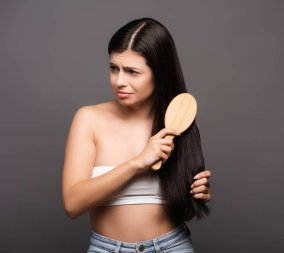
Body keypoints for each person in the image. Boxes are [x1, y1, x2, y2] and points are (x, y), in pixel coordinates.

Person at [61, 17, 212, 253]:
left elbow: (184, 209)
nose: (119, 81)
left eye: (132, 72)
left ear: (159, 73)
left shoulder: (177, 121)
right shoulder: (88, 119)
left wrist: (196, 193)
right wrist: (137, 163)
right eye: (114, 68)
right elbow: (72, 204)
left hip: (173, 246)